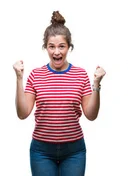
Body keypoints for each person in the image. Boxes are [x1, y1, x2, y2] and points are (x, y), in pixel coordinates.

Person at [13, 11, 106, 176]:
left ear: (69, 47)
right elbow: (22, 113)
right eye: (52, 46)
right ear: (46, 47)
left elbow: (91, 115)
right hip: (41, 151)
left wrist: (97, 85)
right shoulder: (36, 75)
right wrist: (19, 78)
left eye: (61, 46)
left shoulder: (80, 74)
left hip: (74, 151)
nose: (57, 52)